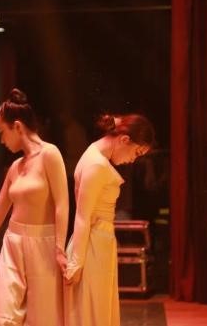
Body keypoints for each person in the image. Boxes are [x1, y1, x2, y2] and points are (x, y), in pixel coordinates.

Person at [0, 88, 69, 326]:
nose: (1, 140)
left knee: (42, 318)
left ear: (18, 127)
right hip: (13, 242)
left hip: (43, 245)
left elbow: (62, 204)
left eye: (2, 132)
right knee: (4, 314)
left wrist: (60, 249)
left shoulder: (50, 154)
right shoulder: (15, 167)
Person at [64, 113, 155, 326]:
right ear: (124, 140)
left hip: (98, 242)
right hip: (93, 245)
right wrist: (76, 262)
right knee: (93, 314)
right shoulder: (96, 164)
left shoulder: (95, 156)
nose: (133, 159)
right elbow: (83, 216)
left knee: (97, 311)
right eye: (136, 152)